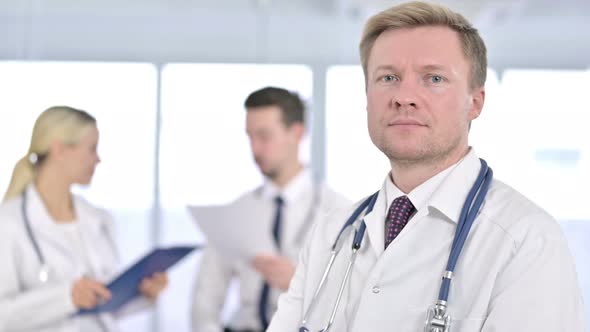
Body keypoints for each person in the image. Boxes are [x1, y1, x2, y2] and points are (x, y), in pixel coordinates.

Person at [267, 2, 585, 331]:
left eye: (433, 78)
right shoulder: (332, 234)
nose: (404, 96)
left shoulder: (525, 241)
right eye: (388, 77)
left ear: (474, 102)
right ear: (367, 97)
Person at [191, 87, 350, 332]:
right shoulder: (238, 211)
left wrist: (301, 285)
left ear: (296, 133)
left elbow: (352, 301)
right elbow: (205, 300)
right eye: (250, 137)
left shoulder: (339, 212)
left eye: (264, 136)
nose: (255, 149)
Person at [0, 106, 169, 331]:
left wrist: (142, 294)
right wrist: (66, 298)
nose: (98, 159)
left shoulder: (99, 219)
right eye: (92, 149)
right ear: (59, 149)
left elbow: (105, 304)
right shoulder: (9, 222)